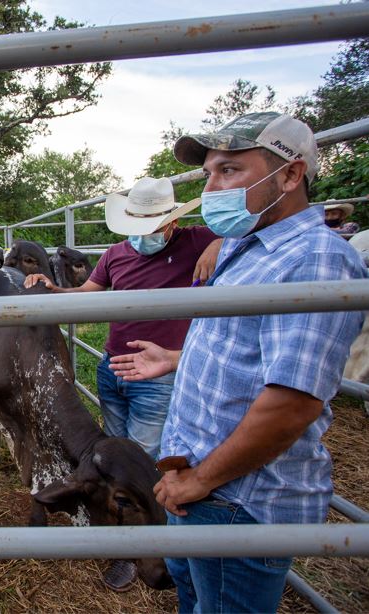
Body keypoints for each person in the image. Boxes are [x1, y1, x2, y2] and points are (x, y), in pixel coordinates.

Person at [109, 112, 366, 613]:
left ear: (290, 175)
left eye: (230, 171)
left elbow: (292, 402)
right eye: (209, 173)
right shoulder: (249, 248)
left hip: (238, 498)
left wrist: (201, 481)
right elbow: (252, 349)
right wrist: (179, 357)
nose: (212, 186)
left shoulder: (315, 260)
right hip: (198, 481)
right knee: (195, 598)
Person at [24, 176, 221, 591]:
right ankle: (130, 544)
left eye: (152, 224)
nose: (143, 234)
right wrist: (50, 289)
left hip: (159, 372)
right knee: (113, 456)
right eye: (137, 225)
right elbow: (88, 293)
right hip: (114, 368)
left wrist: (223, 244)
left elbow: (259, 235)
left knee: (144, 460)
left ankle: (157, 552)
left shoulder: (200, 239)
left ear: (171, 223)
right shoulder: (116, 253)